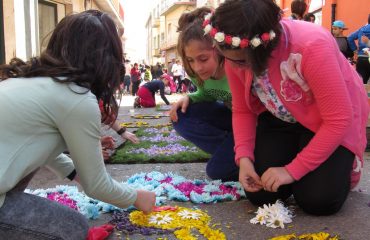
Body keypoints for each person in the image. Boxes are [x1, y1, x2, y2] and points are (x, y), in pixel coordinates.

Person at [0, 10, 155, 239]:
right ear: (106, 57)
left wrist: (75, 173)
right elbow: (97, 187)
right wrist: (136, 197)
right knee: (74, 228)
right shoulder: (76, 97)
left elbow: (39, 146)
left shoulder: (30, 81)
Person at [206, 0, 369, 215]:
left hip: (325, 121)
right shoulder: (236, 51)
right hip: (281, 116)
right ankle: (301, 158)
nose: (233, 67)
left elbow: (338, 120)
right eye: (228, 59)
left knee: (318, 200)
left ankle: (324, 167)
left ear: (263, 51)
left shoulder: (311, 46)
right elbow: (242, 110)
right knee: (261, 195)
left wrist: (292, 171)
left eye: (241, 62)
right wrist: (244, 158)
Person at [169, 7, 239, 182]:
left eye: (203, 59)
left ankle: (245, 151)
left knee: (216, 172)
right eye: (191, 60)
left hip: (254, 124)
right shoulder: (196, 72)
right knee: (180, 114)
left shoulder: (236, 67)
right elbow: (207, 94)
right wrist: (189, 97)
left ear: (219, 49)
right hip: (233, 121)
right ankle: (232, 148)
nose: (197, 68)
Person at [348, 14, 370, 83]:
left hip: (361, 58)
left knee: (361, 83)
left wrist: (355, 50)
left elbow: (350, 38)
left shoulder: (361, 29)